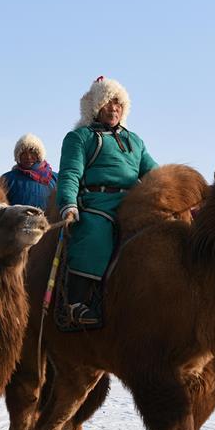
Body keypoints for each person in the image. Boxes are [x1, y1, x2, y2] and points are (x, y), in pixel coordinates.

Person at [57, 76, 158, 326]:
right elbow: (70, 173)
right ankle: (76, 303)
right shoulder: (80, 137)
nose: (114, 108)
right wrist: (69, 204)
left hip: (134, 201)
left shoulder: (135, 141)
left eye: (118, 103)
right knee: (94, 231)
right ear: (95, 107)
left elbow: (155, 174)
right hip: (97, 201)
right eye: (107, 102)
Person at [0, 133, 57, 209]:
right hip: (17, 220)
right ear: (18, 156)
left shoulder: (56, 179)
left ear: (39, 154)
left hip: (50, 221)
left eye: (32, 152)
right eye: (23, 153)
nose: (28, 157)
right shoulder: (6, 179)